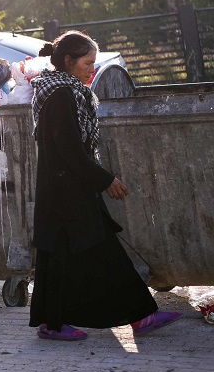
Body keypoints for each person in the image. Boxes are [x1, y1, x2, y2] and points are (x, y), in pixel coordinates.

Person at [29, 31, 181, 340]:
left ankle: (55, 322)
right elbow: (70, 150)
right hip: (66, 192)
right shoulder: (61, 95)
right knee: (97, 250)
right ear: (69, 62)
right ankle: (137, 317)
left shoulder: (61, 90)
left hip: (65, 189)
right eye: (87, 63)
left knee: (66, 254)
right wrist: (105, 179)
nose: (92, 70)